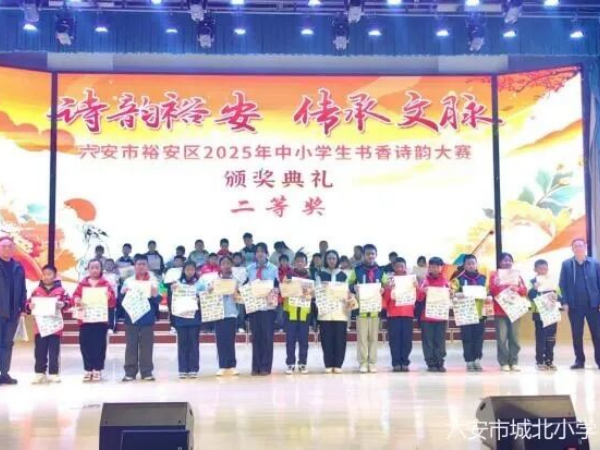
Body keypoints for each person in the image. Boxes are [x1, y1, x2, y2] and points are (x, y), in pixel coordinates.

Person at [559, 238, 600, 370]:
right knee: (577, 334)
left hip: (593, 305)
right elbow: (562, 284)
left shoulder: (594, 263)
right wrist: (564, 302)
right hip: (574, 306)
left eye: (580, 246)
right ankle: (579, 361)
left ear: (585, 247)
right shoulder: (566, 264)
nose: (578, 248)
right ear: (572, 249)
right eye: (575, 246)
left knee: (597, 334)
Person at [73, 259, 116, 382]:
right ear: (88, 269)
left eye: (97, 267)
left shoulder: (106, 284)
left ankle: (97, 369)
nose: (94, 270)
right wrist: (76, 299)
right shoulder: (82, 283)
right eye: (92, 267)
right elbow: (75, 296)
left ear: (101, 269)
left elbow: (113, 302)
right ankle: (88, 369)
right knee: (85, 344)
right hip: (85, 319)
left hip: (100, 319)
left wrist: (109, 297)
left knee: (99, 345)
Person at [120, 254, 161, 382]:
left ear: (147, 266)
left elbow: (158, 300)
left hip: (147, 318)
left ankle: (146, 372)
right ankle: (130, 372)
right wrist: (123, 293)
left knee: (147, 345)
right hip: (131, 318)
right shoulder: (128, 281)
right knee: (131, 345)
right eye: (139, 264)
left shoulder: (153, 281)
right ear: (134, 266)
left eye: (144, 264)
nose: (141, 266)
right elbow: (121, 300)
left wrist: (155, 294)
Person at [27, 265, 71, 384]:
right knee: (39, 351)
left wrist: (63, 304)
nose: (46, 277)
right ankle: (39, 373)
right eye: (44, 274)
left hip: (55, 327)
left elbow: (69, 302)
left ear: (55, 276)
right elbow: (28, 304)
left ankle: (53, 373)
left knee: (54, 351)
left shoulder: (61, 291)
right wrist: (29, 306)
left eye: (49, 274)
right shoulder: (36, 291)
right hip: (40, 327)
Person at [348, 244, 388, 373]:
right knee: (362, 338)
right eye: (368, 254)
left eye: (373, 254)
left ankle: (372, 362)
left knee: (373, 338)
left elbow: (386, 285)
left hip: (375, 310)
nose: (370, 256)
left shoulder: (381, 271)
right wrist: (353, 288)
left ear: (376, 255)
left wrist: (383, 289)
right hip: (361, 310)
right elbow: (349, 284)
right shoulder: (357, 270)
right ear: (363, 255)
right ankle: (363, 362)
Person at [489, 252, 527, 372]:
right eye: (505, 260)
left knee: (514, 337)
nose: (507, 262)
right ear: (500, 262)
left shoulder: (517, 275)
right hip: (500, 311)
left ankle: (514, 361)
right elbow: (491, 291)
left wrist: (518, 289)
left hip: (515, 310)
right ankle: (504, 362)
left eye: (509, 260)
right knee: (502, 338)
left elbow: (524, 291)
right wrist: (497, 283)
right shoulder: (494, 275)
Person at [203, 255, 239, 376]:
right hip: (218, 312)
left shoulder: (236, 280)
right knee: (220, 340)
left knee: (230, 340)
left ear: (232, 265)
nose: (226, 266)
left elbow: (241, 298)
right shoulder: (214, 280)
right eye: (223, 263)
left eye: (228, 263)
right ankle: (223, 365)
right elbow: (207, 294)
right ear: (220, 266)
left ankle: (232, 365)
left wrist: (236, 293)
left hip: (231, 313)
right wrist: (210, 290)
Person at [246, 242, 279, 375]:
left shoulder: (273, 269)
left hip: (268, 307)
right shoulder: (249, 269)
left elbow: (278, 286)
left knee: (267, 337)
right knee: (255, 337)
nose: (260, 254)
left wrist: (275, 290)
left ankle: (265, 367)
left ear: (267, 253)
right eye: (257, 251)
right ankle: (256, 367)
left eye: (262, 251)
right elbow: (244, 285)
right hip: (254, 307)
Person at [452, 254, 488, 372]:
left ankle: (477, 359)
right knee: (467, 338)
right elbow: (452, 293)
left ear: (476, 264)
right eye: (468, 263)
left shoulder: (483, 279)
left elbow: (488, 292)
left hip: (480, 314)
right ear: (464, 265)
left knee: (479, 338)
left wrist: (488, 296)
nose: (471, 265)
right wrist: (460, 294)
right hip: (465, 314)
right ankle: (469, 361)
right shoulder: (458, 279)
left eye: (473, 263)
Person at [319, 250, 351, 373]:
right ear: (326, 260)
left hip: (340, 312)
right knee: (326, 338)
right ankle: (328, 364)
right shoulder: (320, 274)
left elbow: (348, 293)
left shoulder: (343, 275)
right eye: (329, 258)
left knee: (340, 338)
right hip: (325, 312)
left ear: (337, 260)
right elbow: (316, 291)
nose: (331, 261)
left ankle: (338, 364)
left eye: (334, 258)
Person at [0, 237, 27, 385]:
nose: (6, 249)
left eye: (9, 246)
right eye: (3, 246)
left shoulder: (18, 267)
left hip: (12, 313)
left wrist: (23, 309)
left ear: (14, 248)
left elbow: (23, 290)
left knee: (8, 344)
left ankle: (4, 373)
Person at [417, 257, 451, 373]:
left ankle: (440, 361)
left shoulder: (446, 282)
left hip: (441, 316)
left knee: (440, 340)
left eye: (437, 266)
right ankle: (430, 362)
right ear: (429, 267)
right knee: (428, 340)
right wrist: (422, 292)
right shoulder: (424, 281)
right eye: (432, 266)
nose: (434, 268)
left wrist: (451, 294)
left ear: (441, 268)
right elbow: (418, 298)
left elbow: (450, 298)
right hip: (426, 316)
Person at [168, 261, 201, 379]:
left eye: (192, 269)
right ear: (183, 270)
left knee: (193, 344)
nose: (190, 272)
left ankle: (193, 368)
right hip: (180, 317)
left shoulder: (199, 283)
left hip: (194, 317)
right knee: (182, 344)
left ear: (195, 270)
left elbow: (205, 296)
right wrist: (172, 290)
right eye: (187, 269)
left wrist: (199, 298)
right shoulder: (177, 283)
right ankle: (182, 368)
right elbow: (171, 300)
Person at [283, 252, 313, 375]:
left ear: (306, 263)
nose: (300, 263)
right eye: (298, 261)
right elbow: (283, 291)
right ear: (294, 262)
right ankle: (290, 364)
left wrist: (309, 293)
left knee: (303, 340)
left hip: (305, 312)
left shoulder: (310, 277)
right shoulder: (288, 275)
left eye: (302, 261)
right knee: (290, 340)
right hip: (291, 312)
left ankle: (302, 363)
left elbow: (314, 294)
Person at [383, 257, 415, 373]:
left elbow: (419, 297)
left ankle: (405, 362)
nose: (400, 268)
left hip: (408, 313)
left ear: (405, 267)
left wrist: (416, 287)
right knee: (394, 340)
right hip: (393, 314)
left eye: (402, 266)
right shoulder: (390, 280)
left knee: (407, 339)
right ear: (393, 267)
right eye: (397, 266)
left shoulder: (411, 280)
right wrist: (388, 289)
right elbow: (385, 299)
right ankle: (396, 362)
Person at [528, 259, 560, 371]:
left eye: (545, 269)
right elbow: (530, 296)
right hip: (539, 314)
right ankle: (540, 361)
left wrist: (557, 297)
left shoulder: (552, 281)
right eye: (540, 269)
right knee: (541, 338)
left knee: (551, 338)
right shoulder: (532, 282)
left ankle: (549, 361)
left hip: (552, 312)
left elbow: (559, 294)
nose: (543, 271)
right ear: (535, 269)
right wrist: (534, 289)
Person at [232, 252, 248, 332]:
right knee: (233, 310)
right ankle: (233, 327)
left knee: (241, 310)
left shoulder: (245, 269)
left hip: (241, 292)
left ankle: (241, 326)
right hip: (231, 292)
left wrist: (240, 288)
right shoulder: (230, 269)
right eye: (235, 258)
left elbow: (246, 280)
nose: (237, 260)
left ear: (241, 260)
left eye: (238, 258)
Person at [103, 258, 120, 332]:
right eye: (107, 264)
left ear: (113, 265)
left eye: (111, 264)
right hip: (103, 296)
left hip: (113, 297)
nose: (109, 266)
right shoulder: (101, 275)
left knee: (112, 312)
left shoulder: (116, 275)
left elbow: (117, 285)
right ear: (104, 265)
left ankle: (111, 327)